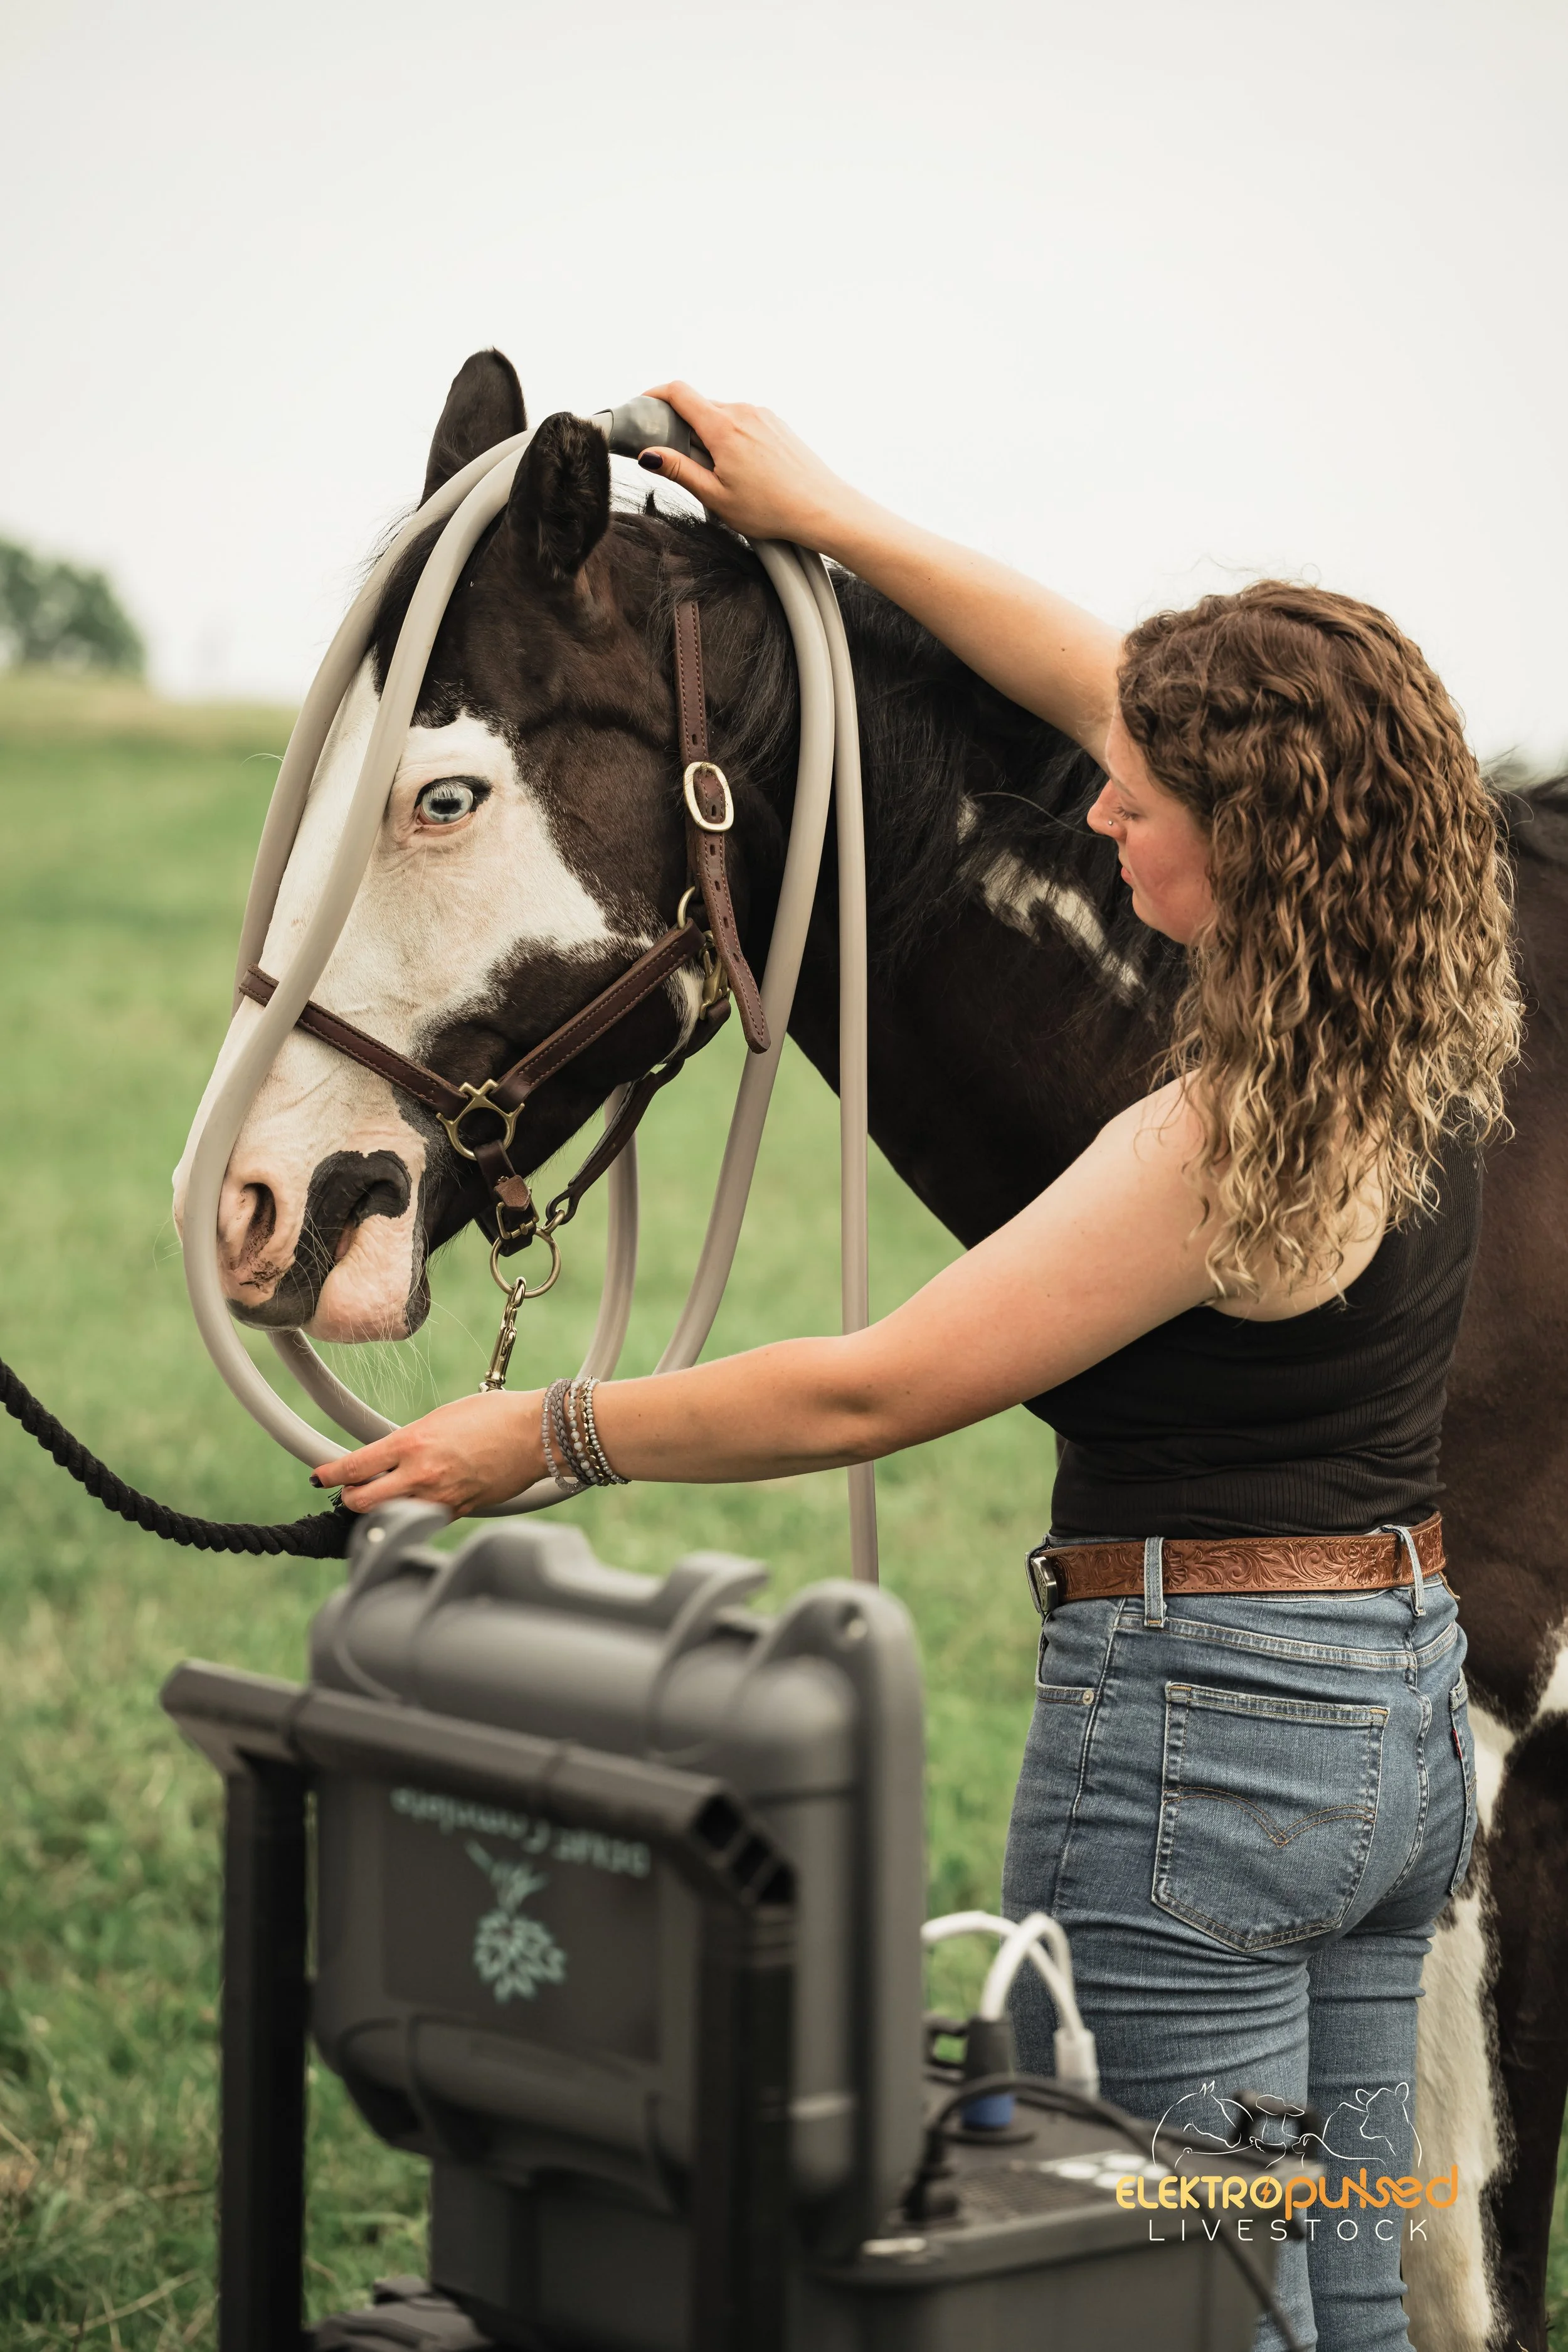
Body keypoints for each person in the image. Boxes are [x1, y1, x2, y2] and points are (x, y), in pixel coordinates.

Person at [314, 385, 1521, 2352]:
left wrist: (542, 1434)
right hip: (1383, 1735)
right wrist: (832, 519)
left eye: (1142, 799)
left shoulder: (1218, 1138)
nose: (1099, 801)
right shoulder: (1440, 988)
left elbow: (873, 1391)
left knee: (1204, 2289)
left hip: (1201, 1765)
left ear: (1263, 831)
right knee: (1346, 2262)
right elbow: (1084, 673)